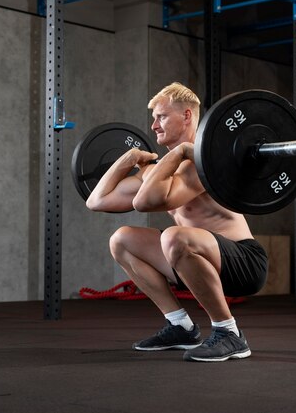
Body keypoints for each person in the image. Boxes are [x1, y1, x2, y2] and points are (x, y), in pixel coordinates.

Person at [86, 82, 268, 362]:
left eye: (162, 116)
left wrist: (182, 153)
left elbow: (151, 201)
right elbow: (96, 201)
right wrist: (129, 158)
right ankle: (180, 325)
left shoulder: (205, 161)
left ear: (186, 116)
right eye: (154, 118)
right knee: (121, 239)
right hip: (193, 258)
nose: (154, 125)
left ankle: (229, 333)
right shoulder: (165, 166)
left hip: (242, 261)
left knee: (174, 235)